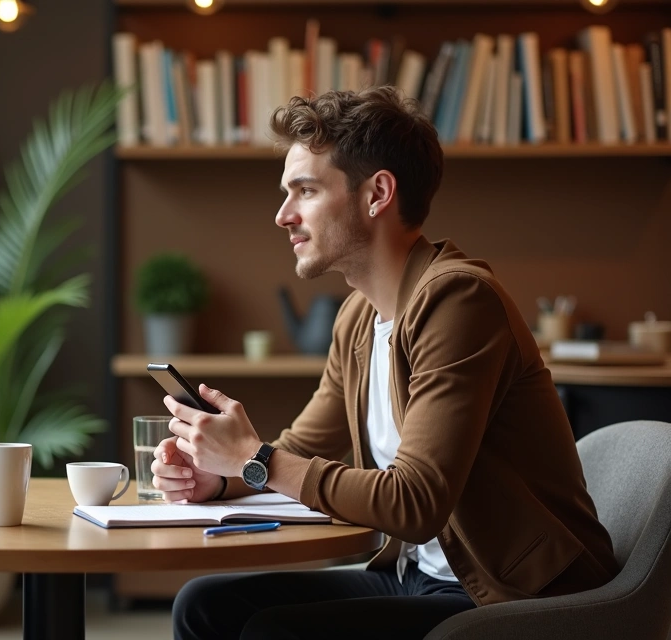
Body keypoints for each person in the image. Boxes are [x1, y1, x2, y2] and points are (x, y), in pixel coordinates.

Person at [152, 87, 619, 640]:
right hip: (416, 575)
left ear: (377, 193)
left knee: (274, 632)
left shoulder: (460, 301)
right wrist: (222, 478)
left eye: (304, 191)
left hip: (510, 596)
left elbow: (415, 502)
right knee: (204, 604)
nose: (282, 216)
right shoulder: (357, 318)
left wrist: (253, 459)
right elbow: (300, 450)